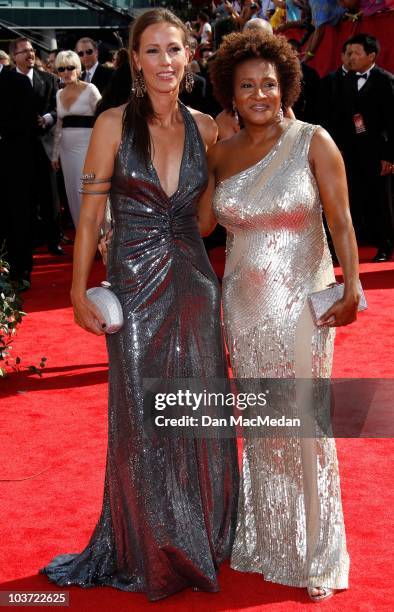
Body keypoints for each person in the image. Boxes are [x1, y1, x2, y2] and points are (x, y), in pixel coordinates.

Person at [40, 8, 239, 601]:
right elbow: (91, 214)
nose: (165, 61)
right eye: (152, 50)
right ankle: (149, 546)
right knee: (142, 420)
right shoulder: (110, 124)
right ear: (134, 60)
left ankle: (198, 532)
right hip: (132, 285)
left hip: (196, 286)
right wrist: (79, 288)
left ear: (189, 56)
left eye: (174, 49)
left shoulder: (207, 128)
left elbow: (205, 222)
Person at [199, 30, 361, 602]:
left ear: (286, 84)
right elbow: (200, 228)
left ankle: (319, 551)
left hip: (301, 309)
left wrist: (353, 284)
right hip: (241, 310)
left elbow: (341, 223)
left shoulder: (314, 141)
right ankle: (270, 542)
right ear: (231, 94)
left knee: (305, 430)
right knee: (264, 429)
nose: (260, 94)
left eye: (268, 83)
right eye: (247, 86)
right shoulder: (220, 151)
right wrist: (205, 144)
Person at [339, 33, 394, 262]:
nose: (350, 57)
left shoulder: (386, 80)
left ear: (371, 55)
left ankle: (386, 244)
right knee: (357, 195)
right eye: (348, 53)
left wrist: (389, 156)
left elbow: (393, 121)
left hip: (378, 151)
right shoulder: (345, 80)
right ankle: (364, 238)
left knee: (383, 199)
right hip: (352, 150)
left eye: (355, 53)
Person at [10, 37, 64, 257]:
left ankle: (54, 241)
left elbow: (58, 107)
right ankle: (31, 238)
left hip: (45, 145)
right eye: (24, 51)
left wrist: (48, 118)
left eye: (32, 50)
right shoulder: (6, 81)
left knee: (50, 195)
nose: (30, 54)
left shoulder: (49, 79)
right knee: (25, 196)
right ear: (14, 57)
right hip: (19, 148)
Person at [51, 51, 101, 228]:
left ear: (78, 69)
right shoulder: (58, 94)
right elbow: (58, 126)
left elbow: (103, 117)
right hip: (66, 149)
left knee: (87, 190)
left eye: (70, 67)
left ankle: (100, 234)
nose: (66, 72)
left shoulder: (90, 89)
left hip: (88, 145)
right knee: (72, 191)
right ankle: (83, 232)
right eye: (61, 68)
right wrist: (55, 155)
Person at [0, 66, 36, 290]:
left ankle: (19, 271)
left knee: (17, 217)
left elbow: (28, 122)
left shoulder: (18, 82)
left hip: (14, 165)